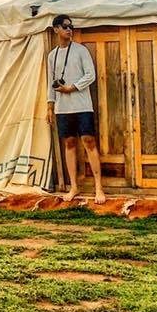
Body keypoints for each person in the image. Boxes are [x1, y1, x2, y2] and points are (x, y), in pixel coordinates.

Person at [46, 14, 106, 204]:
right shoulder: (52, 55)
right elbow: (50, 83)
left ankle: (98, 187)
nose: (69, 29)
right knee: (69, 144)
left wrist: (71, 87)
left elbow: (91, 75)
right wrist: (50, 105)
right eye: (65, 26)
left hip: (82, 105)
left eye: (70, 26)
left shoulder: (81, 51)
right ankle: (74, 186)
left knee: (89, 141)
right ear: (56, 29)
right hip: (62, 108)